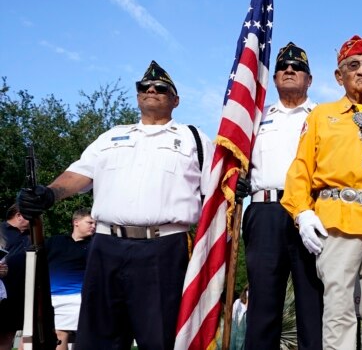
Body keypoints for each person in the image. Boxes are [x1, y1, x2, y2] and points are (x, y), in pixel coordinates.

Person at [16, 60, 211, 350]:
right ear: (137, 96)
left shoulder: (193, 138)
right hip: (106, 246)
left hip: (164, 249)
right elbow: (80, 174)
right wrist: (49, 193)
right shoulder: (110, 136)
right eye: (144, 87)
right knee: (98, 339)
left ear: (176, 99)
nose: (151, 90)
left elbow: (217, 193)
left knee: (161, 338)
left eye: (161, 87)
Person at [281, 35, 362, 350]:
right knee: (339, 312)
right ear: (339, 76)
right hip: (337, 220)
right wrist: (302, 213)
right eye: (353, 65)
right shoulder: (321, 115)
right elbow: (300, 168)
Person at [236, 43, 323, 350]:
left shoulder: (324, 117)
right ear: (273, 79)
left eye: (297, 68)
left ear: (309, 80)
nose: (289, 70)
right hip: (265, 211)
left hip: (312, 215)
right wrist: (236, 181)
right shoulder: (255, 119)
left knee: (313, 304)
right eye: (283, 67)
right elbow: (237, 161)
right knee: (263, 305)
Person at [47, 208, 95, 350]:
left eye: (95, 224)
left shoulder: (94, 245)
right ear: (76, 222)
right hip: (52, 297)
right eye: (90, 222)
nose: (93, 226)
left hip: (79, 297)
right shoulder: (55, 241)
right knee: (59, 334)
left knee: (83, 335)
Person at [0, 204, 30, 350]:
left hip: (25, 292)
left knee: (14, 334)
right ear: (19, 215)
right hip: (3, 292)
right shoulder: (0, 230)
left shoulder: (34, 235)